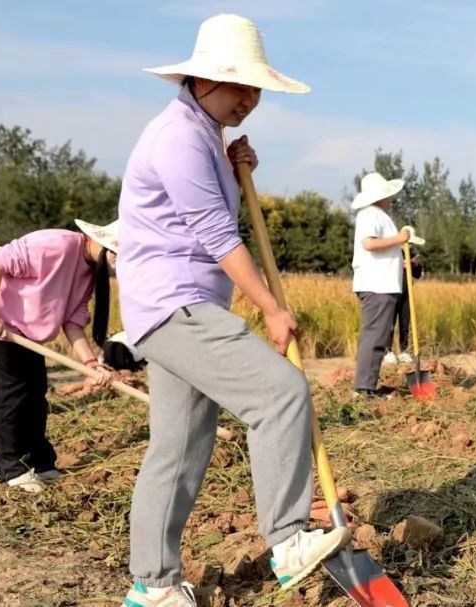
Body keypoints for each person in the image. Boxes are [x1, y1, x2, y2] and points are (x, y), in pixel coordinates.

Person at [116, 14, 348, 606]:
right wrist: (270, 307)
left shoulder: (204, 135)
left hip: (173, 306)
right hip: (176, 306)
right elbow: (219, 237)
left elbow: (210, 213)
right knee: (280, 393)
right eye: (239, 86)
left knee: (180, 447)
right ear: (200, 81)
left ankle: (154, 587)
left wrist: (233, 159)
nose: (249, 99)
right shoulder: (179, 138)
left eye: (256, 89)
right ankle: (289, 538)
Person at [0, 220, 119, 493]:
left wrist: (90, 365)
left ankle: (38, 462)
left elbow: (73, 324)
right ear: (95, 238)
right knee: (10, 392)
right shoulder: (57, 244)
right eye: (112, 250)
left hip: (26, 331)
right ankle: (9, 468)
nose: (113, 257)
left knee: (35, 391)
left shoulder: (88, 273)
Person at [350, 172, 422, 399]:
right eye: (387, 195)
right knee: (375, 337)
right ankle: (364, 389)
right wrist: (400, 239)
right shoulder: (370, 214)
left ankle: (366, 386)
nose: (391, 199)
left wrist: (401, 260)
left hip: (383, 285)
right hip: (377, 285)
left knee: (378, 336)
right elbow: (369, 244)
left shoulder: (378, 215)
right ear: (377, 197)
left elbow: (380, 251)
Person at [384, 252, 423, 366]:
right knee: (389, 324)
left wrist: (414, 265)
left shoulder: (411, 252)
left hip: (407, 294)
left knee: (405, 324)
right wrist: (400, 263)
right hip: (391, 292)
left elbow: (418, 275)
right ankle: (387, 352)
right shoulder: (391, 250)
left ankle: (404, 351)